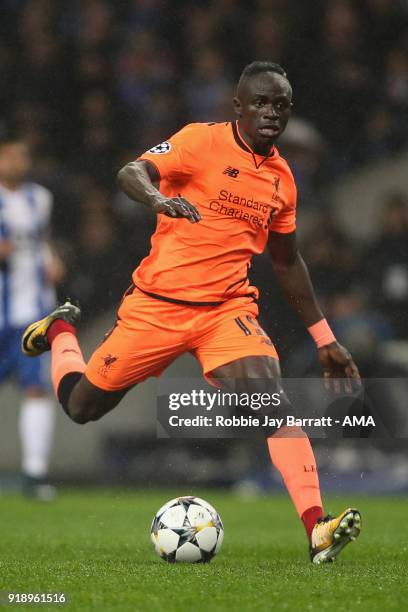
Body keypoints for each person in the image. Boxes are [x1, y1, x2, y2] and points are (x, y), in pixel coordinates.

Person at [22, 62, 362, 561]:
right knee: (81, 407)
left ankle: (317, 527)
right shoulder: (200, 141)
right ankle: (62, 330)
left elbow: (287, 262)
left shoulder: (282, 182)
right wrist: (158, 197)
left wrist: (325, 337)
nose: (270, 112)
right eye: (260, 103)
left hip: (226, 311)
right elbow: (130, 171)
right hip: (155, 308)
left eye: (280, 105)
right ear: (238, 107)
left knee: (271, 401)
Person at [0, 134, 63, 500]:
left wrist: (54, 260)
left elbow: (43, 241)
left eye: (20, 156)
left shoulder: (40, 198)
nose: (15, 163)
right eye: (8, 156)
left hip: (33, 313)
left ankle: (35, 474)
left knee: (37, 390)